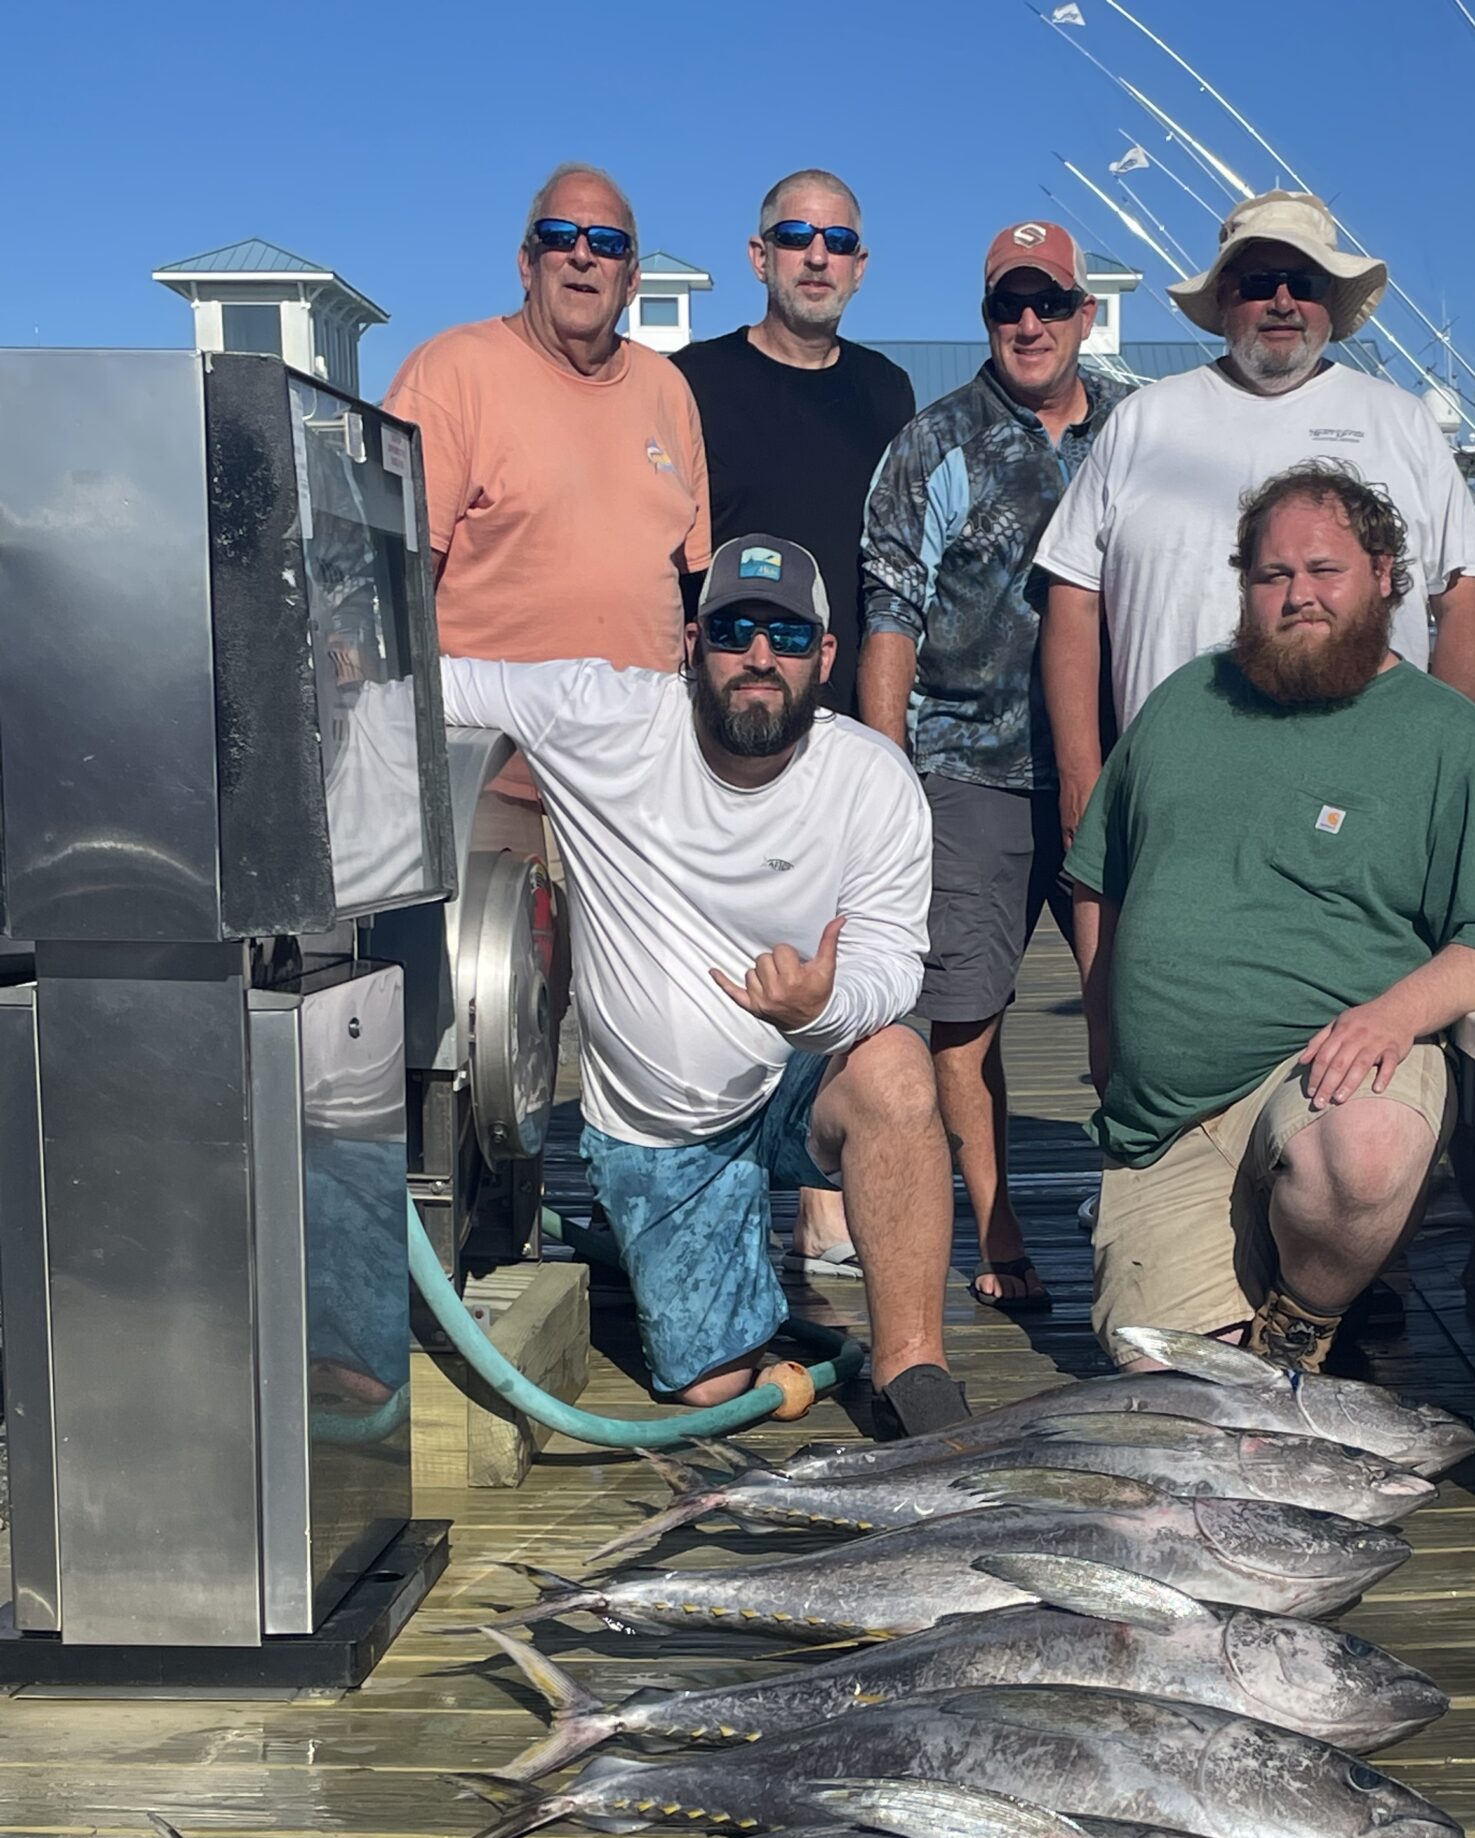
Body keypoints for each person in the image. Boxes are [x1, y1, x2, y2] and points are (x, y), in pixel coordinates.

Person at [438, 537, 968, 1440]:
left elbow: (890, 959)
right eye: (735, 629)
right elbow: (441, 687)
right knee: (712, 1386)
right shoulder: (602, 714)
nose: (761, 656)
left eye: (789, 635)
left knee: (897, 1065)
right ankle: (685, 1259)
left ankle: (914, 1371)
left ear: (825, 657)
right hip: (662, 1128)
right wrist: (344, 657)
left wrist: (820, 1011)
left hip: (797, 1075)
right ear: (692, 645)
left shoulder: (871, 777)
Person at [1068, 463, 1475, 1374]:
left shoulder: (1447, 738)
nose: (1298, 595)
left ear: (1385, 574)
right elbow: (1098, 877)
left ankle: (1302, 1323)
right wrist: (1105, 1030)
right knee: (1173, 1387)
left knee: (1365, 1152)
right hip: (1168, 1120)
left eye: (1324, 569)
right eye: (1272, 576)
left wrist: (1393, 1016)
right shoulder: (1186, 700)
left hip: (1326, 1077)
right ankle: (1249, 1316)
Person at [1037, 189, 1475, 851]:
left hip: (1365, 810)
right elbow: (1074, 595)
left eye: (1302, 282)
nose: (1282, 300)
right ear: (1225, 295)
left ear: (1329, 301)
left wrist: (1452, 770)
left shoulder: (1402, 422)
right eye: (1259, 282)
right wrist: (1083, 776)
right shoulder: (1143, 420)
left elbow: (1463, 596)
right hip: (1171, 806)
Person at [861, 220, 1124, 1314]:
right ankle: (999, 1217)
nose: (1028, 323)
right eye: (1006, 305)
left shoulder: (1136, 426)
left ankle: (1135, 1200)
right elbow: (891, 610)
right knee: (965, 1014)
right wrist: (882, 780)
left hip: (1114, 767)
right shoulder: (936, 441)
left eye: (1048, 303)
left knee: (1133, 1001)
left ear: (1084, 313)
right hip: (969, 765)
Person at [674, 171, 915, 1283]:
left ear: (860, 266)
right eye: (795, 237)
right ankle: (693, 1172)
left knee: (833, 951)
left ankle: (823, 1202)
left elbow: (894, 572)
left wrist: (884, 725)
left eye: (838, 241)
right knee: (699, 951)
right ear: (758, 253)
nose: (817, 256)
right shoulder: (694, 382)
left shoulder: (886, 389)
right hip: (719, 707)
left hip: (840, 717)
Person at [386, 162, 710, 906]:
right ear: (527, 262)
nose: (583, 254)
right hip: (490, 780)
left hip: (637, 788)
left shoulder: (668, 391)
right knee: (490, 1011)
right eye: (560, 236)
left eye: (608, 242)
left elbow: (691, 589)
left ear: (632, 278)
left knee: (638, 1014)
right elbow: (390, 594)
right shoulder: (451, 373)